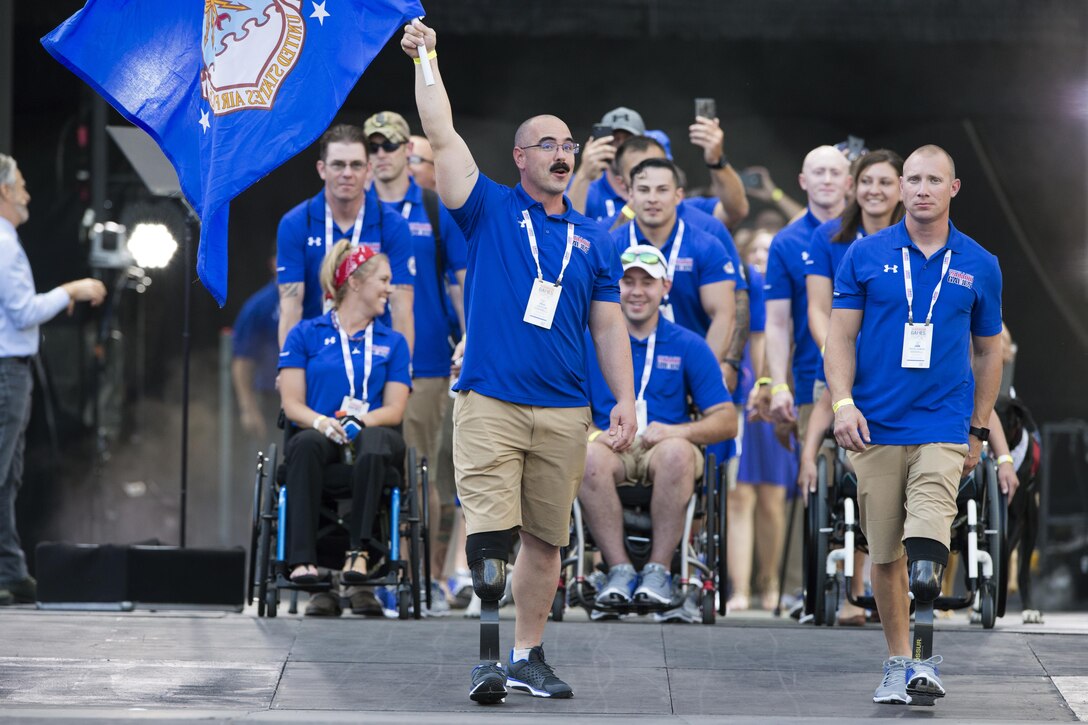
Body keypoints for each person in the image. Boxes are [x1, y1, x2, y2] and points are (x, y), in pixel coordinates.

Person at [403, 20, 637, 704]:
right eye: (547, 145)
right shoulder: (488, 211)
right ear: (519, 157)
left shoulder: (593, 237)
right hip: (492, 398)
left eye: (568, 145)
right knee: (491, 532)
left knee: (546, 539)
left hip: (565, 408)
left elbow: (608, 322)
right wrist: (428, 59)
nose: (562, 154)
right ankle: (485, 657)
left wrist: (622, 397)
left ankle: (527, 654)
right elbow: (442, 134)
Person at [826, 145, 1004, 706]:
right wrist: (841, 403)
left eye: (935, 179)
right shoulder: (864, 255)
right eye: (914, 179)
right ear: (900, 188)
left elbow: (988, 352)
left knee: (925, 548)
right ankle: (898, 661)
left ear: (954, 188)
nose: (922, 188)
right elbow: (839, 337)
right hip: (874, 426)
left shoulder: (980, 262)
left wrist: (977, 429)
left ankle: (925, 662)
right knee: (885, 557)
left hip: (944, 424)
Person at [581, 244, 735, 610]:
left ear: (665, 286)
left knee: (678, 454)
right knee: (585, 456)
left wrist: (679, 431)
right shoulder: (589, 341)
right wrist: (591, 433)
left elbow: (727, 419)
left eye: (646, 283)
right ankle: (617, 567)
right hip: (609, 445)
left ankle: (658, 571)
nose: (636, 292)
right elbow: (564, 401)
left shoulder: (688, 345)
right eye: (628, 282)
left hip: (663, 447)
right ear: (614, 287)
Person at [365, 111, 469, 616]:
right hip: (360, 360)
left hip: (425, 359)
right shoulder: (354, 210)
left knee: (419, 469)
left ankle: (422, 576)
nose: (382, 153)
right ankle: (375, 572)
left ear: (408, 150)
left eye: (390, 144)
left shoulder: (431, 207)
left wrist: (470, 339)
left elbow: (461, 281)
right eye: (374, 146)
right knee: (374, 466)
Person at [278, 242, 412, 617]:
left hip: (374, 433)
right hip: (323, 434)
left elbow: (396, 408)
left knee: (374, 440)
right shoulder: (305, 334)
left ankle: (360, 553)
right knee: (303, 443)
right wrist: (322, 421)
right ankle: (303, 561)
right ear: (355, 282)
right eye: (383, 280)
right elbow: (291, 405)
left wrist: (361, 420)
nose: (389, 288)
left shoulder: (393, 342)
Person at [803, 149, 905, 625]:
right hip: (844, 363)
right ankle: (853, 591)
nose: (875, 191)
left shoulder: (920, 233)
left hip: (903, 366)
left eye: (886, 182)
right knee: (856, 465)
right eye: (867, 181)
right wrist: (841, 357)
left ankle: (910, 589)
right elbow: (818, 310)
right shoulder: (832, 238)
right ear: (853, 186)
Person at [0, 153, 106, 605]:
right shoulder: (4, 243)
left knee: (8, 477)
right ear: (4, 191)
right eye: (20, 184)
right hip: (7, 372)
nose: (26, 193)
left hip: (12, 369)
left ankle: (9, 570)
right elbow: (22, 312)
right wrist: (73, 290)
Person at [276, 124, 415, 349]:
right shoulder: (296, 223)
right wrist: (289, 366)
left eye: (356, 165)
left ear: (368, 169)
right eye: (338, 165)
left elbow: (402, 307)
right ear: (322, 169)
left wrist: (401, 373)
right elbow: (291, 307)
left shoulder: (393, 224)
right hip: (316, 356)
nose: (347, 173)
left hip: (374, 359)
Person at [612, 158, 738, 364]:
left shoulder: (707, 246)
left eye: (662, 190)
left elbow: (724, 316)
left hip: (689, 366)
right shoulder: (610, 245)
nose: (652, 199)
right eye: (644, 190)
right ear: (631, 195)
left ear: (678, 196)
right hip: (623, 366)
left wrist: (701, 375)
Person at [729, 228, 796, 612]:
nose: (760, 254)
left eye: (768, 249)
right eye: (754, 247)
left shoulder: (782, 284)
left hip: (775, 390)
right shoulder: (744, 284)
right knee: (739, 496)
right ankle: (739, 588)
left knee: (772, 497)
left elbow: (773, 338)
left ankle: (769, 584)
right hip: (742, 395)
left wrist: (770, 382)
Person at [763, 146, 851, 434]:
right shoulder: (785, 241)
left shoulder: (871, 233)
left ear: (849, 182)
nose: (826, 179)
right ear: (803, 181)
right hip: (810, 376)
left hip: (873, 375)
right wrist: (778, 385)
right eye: (818, 172)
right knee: (815, 471)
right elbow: (777, 323)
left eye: (835, 172)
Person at [232, 259, 281, 443]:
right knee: (269, 454)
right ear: (273, 263)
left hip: (308, 396)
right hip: (270, 397)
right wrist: (248, 408)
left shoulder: (313, 301)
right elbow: (242, 362)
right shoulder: (258, 306)